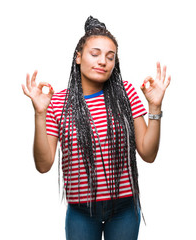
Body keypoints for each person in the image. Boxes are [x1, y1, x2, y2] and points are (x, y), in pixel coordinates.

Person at [21, 16, 170, 240]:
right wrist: (40, 114)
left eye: (110, 57)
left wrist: (155, 107)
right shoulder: (58, 102)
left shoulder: (126, 93)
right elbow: (43, 165)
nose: (103, 61)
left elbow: (148, 154)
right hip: (80, 212)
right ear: (78, 57)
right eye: (95, 54)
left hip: (124, 209)